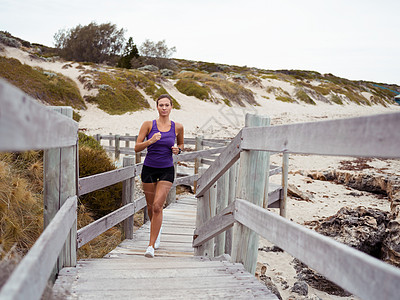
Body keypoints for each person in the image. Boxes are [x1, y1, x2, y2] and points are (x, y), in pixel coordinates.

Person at [134, 94, 184, 258]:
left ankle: (150, 246)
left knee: (157, 206)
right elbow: (136, 148)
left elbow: (181, 144)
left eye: (166, 105)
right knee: (150, 207)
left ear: (171, 107)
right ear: (157, 107)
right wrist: (150, 141)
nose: (164, 108)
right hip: (149, 169)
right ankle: (157, 229)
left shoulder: (177, 127)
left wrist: (178, 149)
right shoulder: (148, 125)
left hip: (166, 170)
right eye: (161, 105)